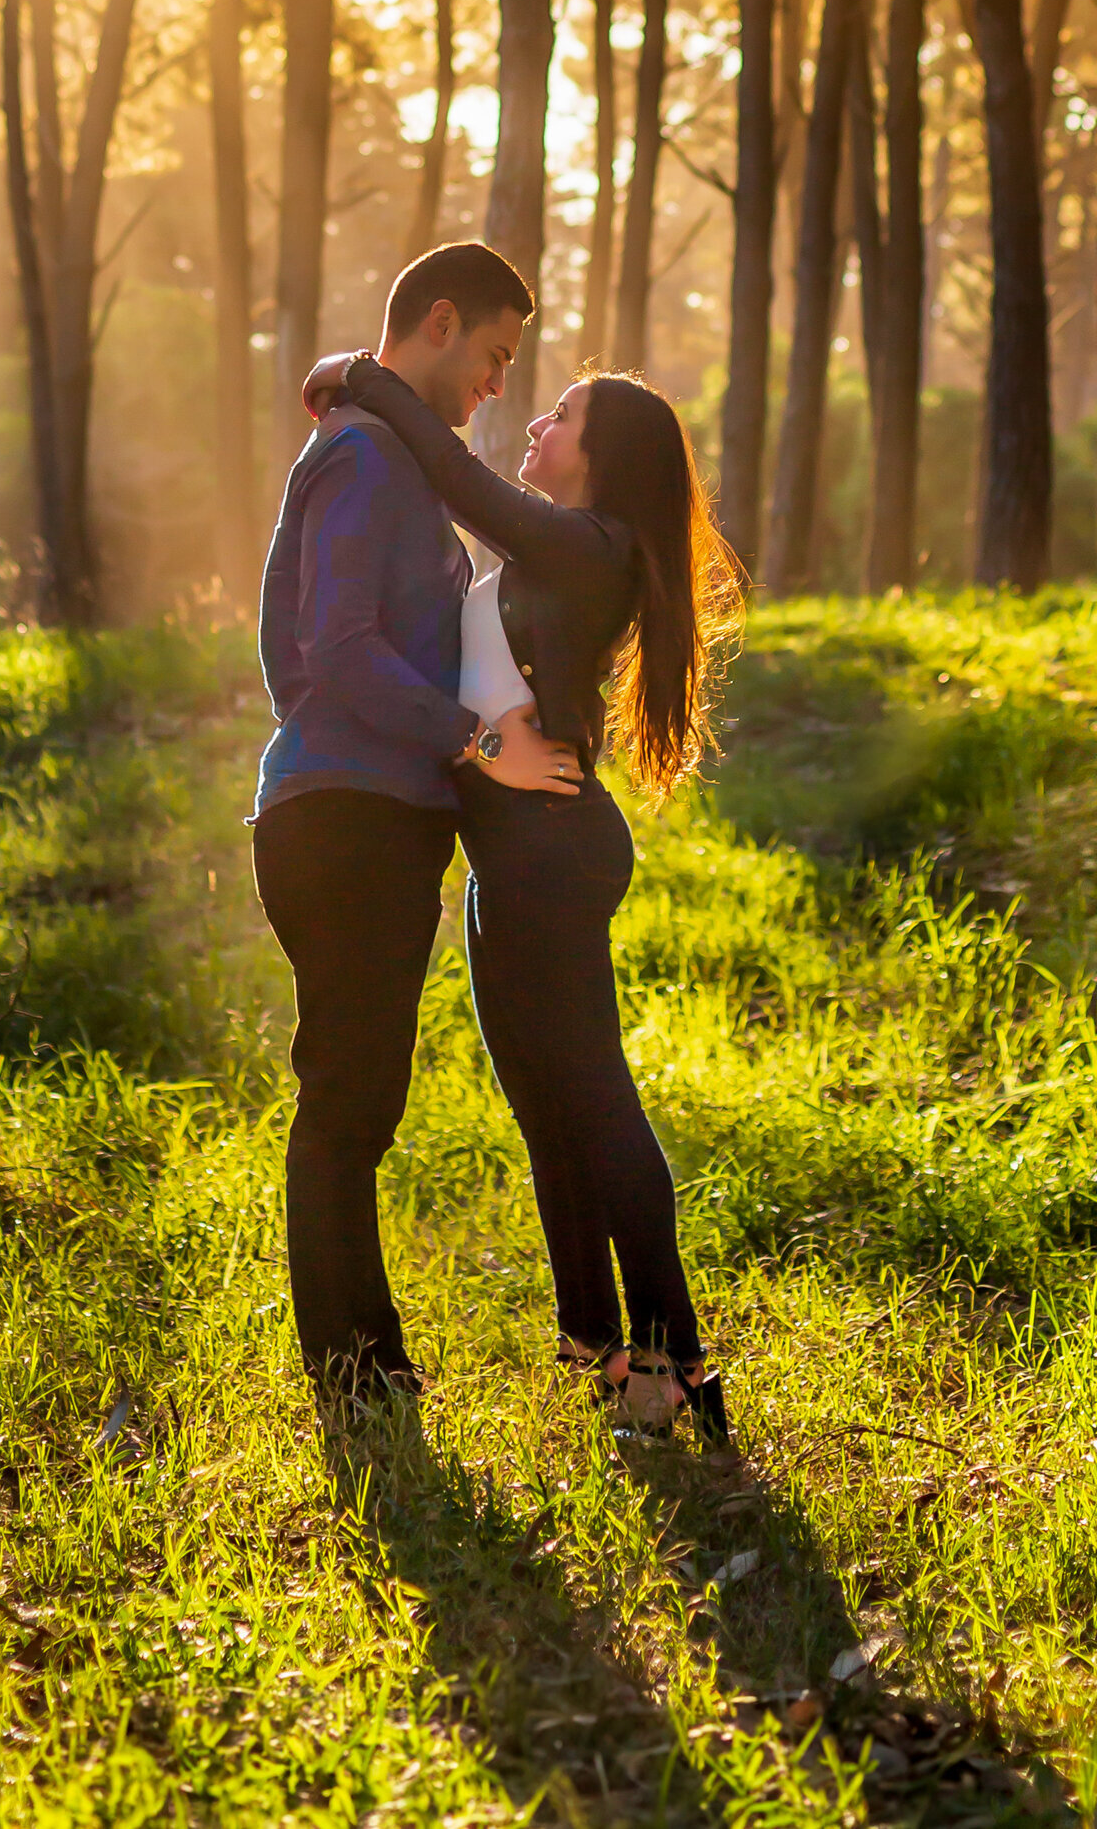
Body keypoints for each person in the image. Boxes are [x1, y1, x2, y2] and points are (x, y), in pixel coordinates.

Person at [303, 339, 743, 1443]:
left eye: (558, 414)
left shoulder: (592, 541)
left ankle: (671, 1354)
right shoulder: (553, 559)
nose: (535, 424)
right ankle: (597, 1344)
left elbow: (456, 479)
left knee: (594, 1100)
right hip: (509, 862)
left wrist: (362, 374)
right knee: (546, 1111)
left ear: (602, 456)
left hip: (550, 853)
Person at [250, 239, 571, 1403]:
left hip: (354, 810)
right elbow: (331, 647)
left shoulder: (371, 454)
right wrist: (474, 740)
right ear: (438, 322)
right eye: (491, 356)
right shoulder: (369, 457)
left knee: (359, 1092)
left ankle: (368, 1357)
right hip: (344, 822)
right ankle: (350, 1371)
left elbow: (285, 643)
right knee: (346, 1096)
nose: (495, 385)